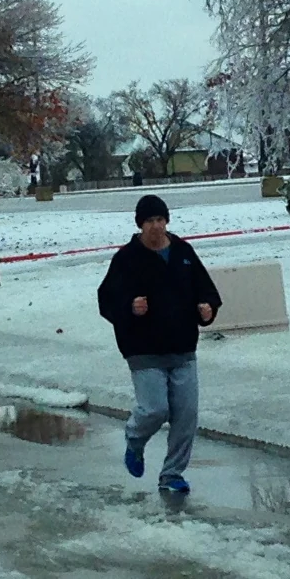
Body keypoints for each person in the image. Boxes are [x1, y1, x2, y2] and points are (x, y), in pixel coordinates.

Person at [96, 193, 221, 494]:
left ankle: (172, 474)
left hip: (182, 347)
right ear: (140, 225)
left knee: (186, 415)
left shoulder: (183, 253)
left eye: (160, 219)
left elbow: (207, 292)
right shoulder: (126, 258)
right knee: (154, 409)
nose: (156, 226)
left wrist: (207, 310)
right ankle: (134, 439)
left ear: (167, 221)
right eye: (149, 221)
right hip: (143, 349)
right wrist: (129, 307)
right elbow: (106, 300)